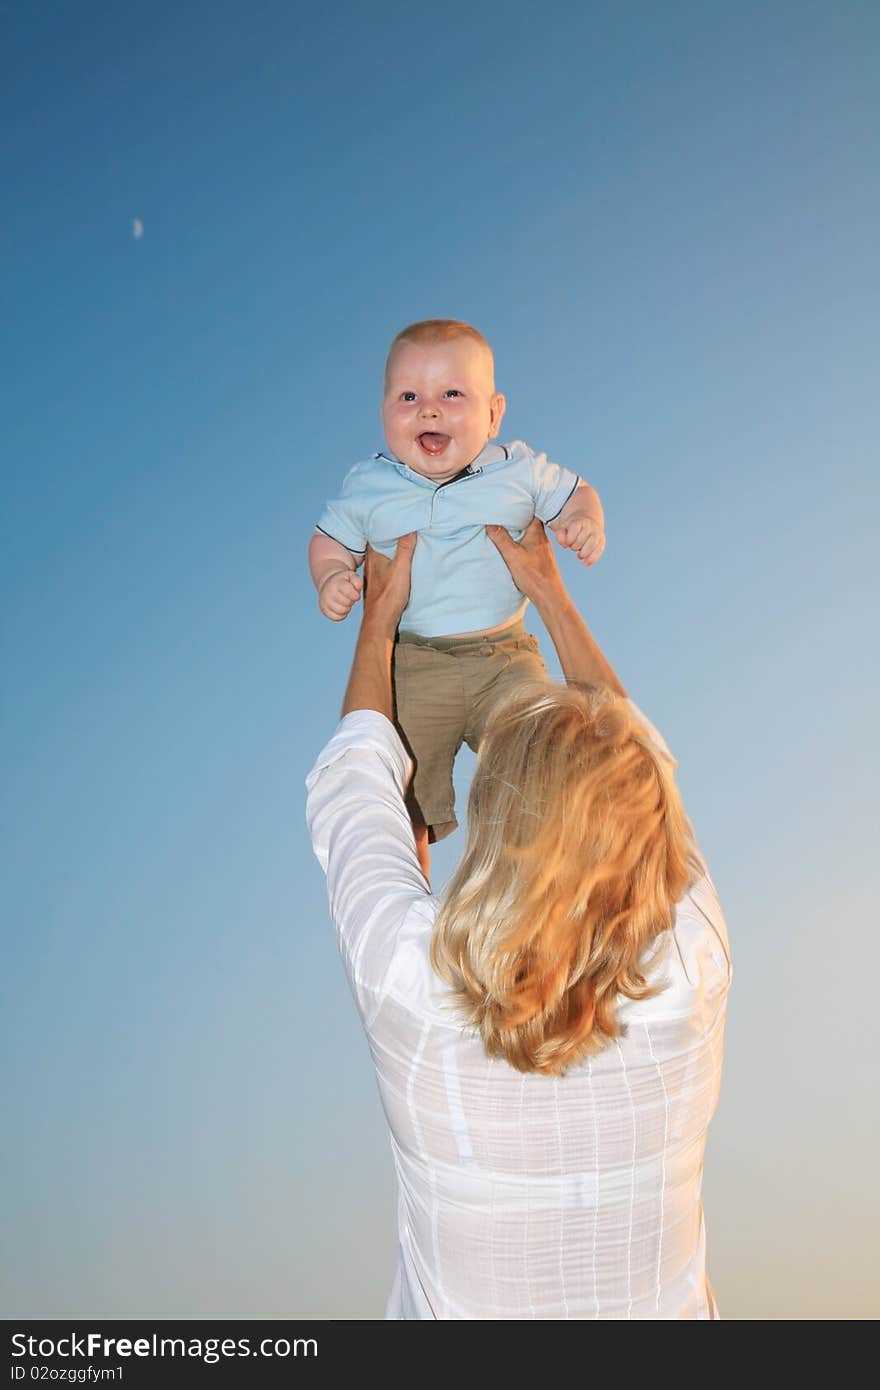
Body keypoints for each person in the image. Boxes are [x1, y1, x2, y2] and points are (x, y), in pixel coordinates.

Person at [305, 519, 731, 1320]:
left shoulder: (412, 988)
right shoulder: (691, 962)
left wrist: (379, 619)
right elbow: (652, 773)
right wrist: (551, 597)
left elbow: (355, 789)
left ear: (494, 821)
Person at [308, 319, 606, 873]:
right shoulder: (371, 486)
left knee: (540, 757)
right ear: (382, 415)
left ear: (493, 414)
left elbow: (578, 493)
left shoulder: (516, 468)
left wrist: (583, 522)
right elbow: (328, 541)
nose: (429, 409)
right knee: (402, 782)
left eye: (452, 394)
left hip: (506, 656)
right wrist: (331, 577)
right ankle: (412, 893)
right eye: (408, 396)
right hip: (416, 663)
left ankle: (535, 878)